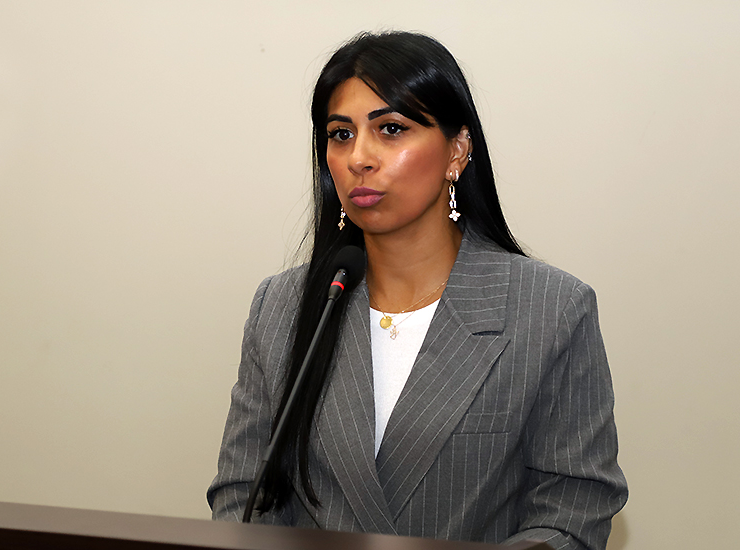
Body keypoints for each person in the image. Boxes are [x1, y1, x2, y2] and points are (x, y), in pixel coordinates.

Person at [208, 31, 628, 550]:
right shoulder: (282, 308)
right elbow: (245, 496)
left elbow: (573, 512)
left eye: (390, 128)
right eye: (340, 134)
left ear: (457, 150)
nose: (359, 157)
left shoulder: (551, 308)